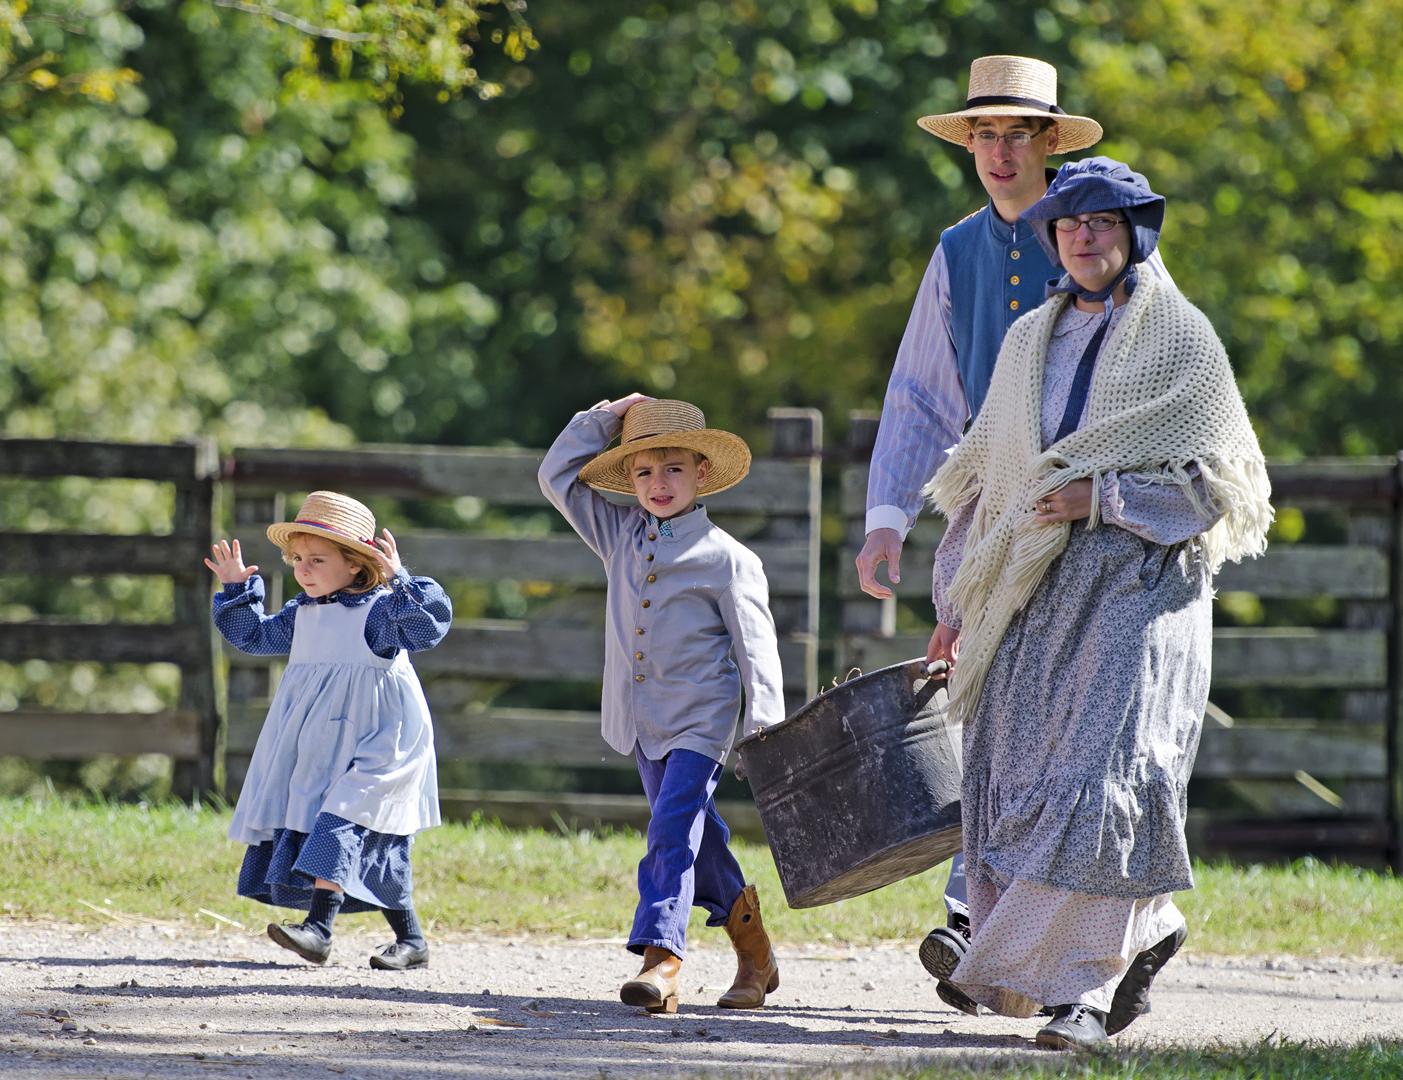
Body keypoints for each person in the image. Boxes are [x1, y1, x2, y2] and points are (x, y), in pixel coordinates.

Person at [920, 157, 1272, 1049]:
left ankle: (1079, 993)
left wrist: (1102, 496)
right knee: (1018, 780)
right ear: (1051, 238)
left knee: (1100, 780)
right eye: (1069, 224)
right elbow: (986, 485)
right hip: (1032, 597)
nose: (1084, 237)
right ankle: (1135, 938)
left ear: (1134, 233)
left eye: (1103, 223)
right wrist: (954, 608)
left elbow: (1214, 488)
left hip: (1137, 592)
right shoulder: (1025, 341)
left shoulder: (1182, 339)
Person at [853, 54, 1174, 1012]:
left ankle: (1114, 928)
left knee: (1091, 738)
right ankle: (981, 922)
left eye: (1015, 133)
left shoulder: (1108, 237)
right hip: (1000, 513)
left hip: (1102, 517)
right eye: (982, 135)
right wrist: (886, 518)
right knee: (991, 713)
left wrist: (1126, 495)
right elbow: (920, 393)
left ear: (1047, 141)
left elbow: (1168, 368)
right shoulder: (955, 253)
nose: (997, 152)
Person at [539, 396, 784, 1014]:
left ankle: (662, 960)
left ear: (702, 474)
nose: (658, 484)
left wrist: (764, 728)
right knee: (696, 842)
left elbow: (757, 649)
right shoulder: (618, 535)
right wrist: (603, 416)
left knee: (670, 833)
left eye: (673, 468)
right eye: (644, 472)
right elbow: (555, 475)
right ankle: (756, 956)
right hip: (640, 721)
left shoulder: (729, 558)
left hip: (702, 723)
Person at [205, 490, 453, 970]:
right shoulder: (303, 614)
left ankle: (318, 930)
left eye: (317, 559)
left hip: (384, 741)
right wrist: (236, 588)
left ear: (358, 565)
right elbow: (253, 637)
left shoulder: (380, 612)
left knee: (341, 818)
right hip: (323, 743)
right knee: (365, 832)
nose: (303, 569)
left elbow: (426, 629)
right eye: (297, 558)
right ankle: (412, 941)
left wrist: (401, 580)